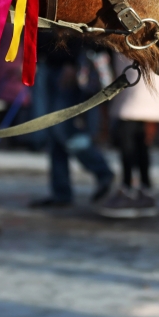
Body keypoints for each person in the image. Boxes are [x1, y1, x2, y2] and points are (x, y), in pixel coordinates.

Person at [28, 37, 114, 208]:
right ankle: (61, 192)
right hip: (45, 63)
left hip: (67, 66)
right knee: (52, 133)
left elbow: (81, 31)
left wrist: (73, 61)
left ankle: (102, 170)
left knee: (63, 129)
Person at [98, 53, 159, 218]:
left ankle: (130, 188)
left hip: (138, 85)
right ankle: (142, 189)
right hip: (139, 84)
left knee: (130, 142)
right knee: (139, 143)